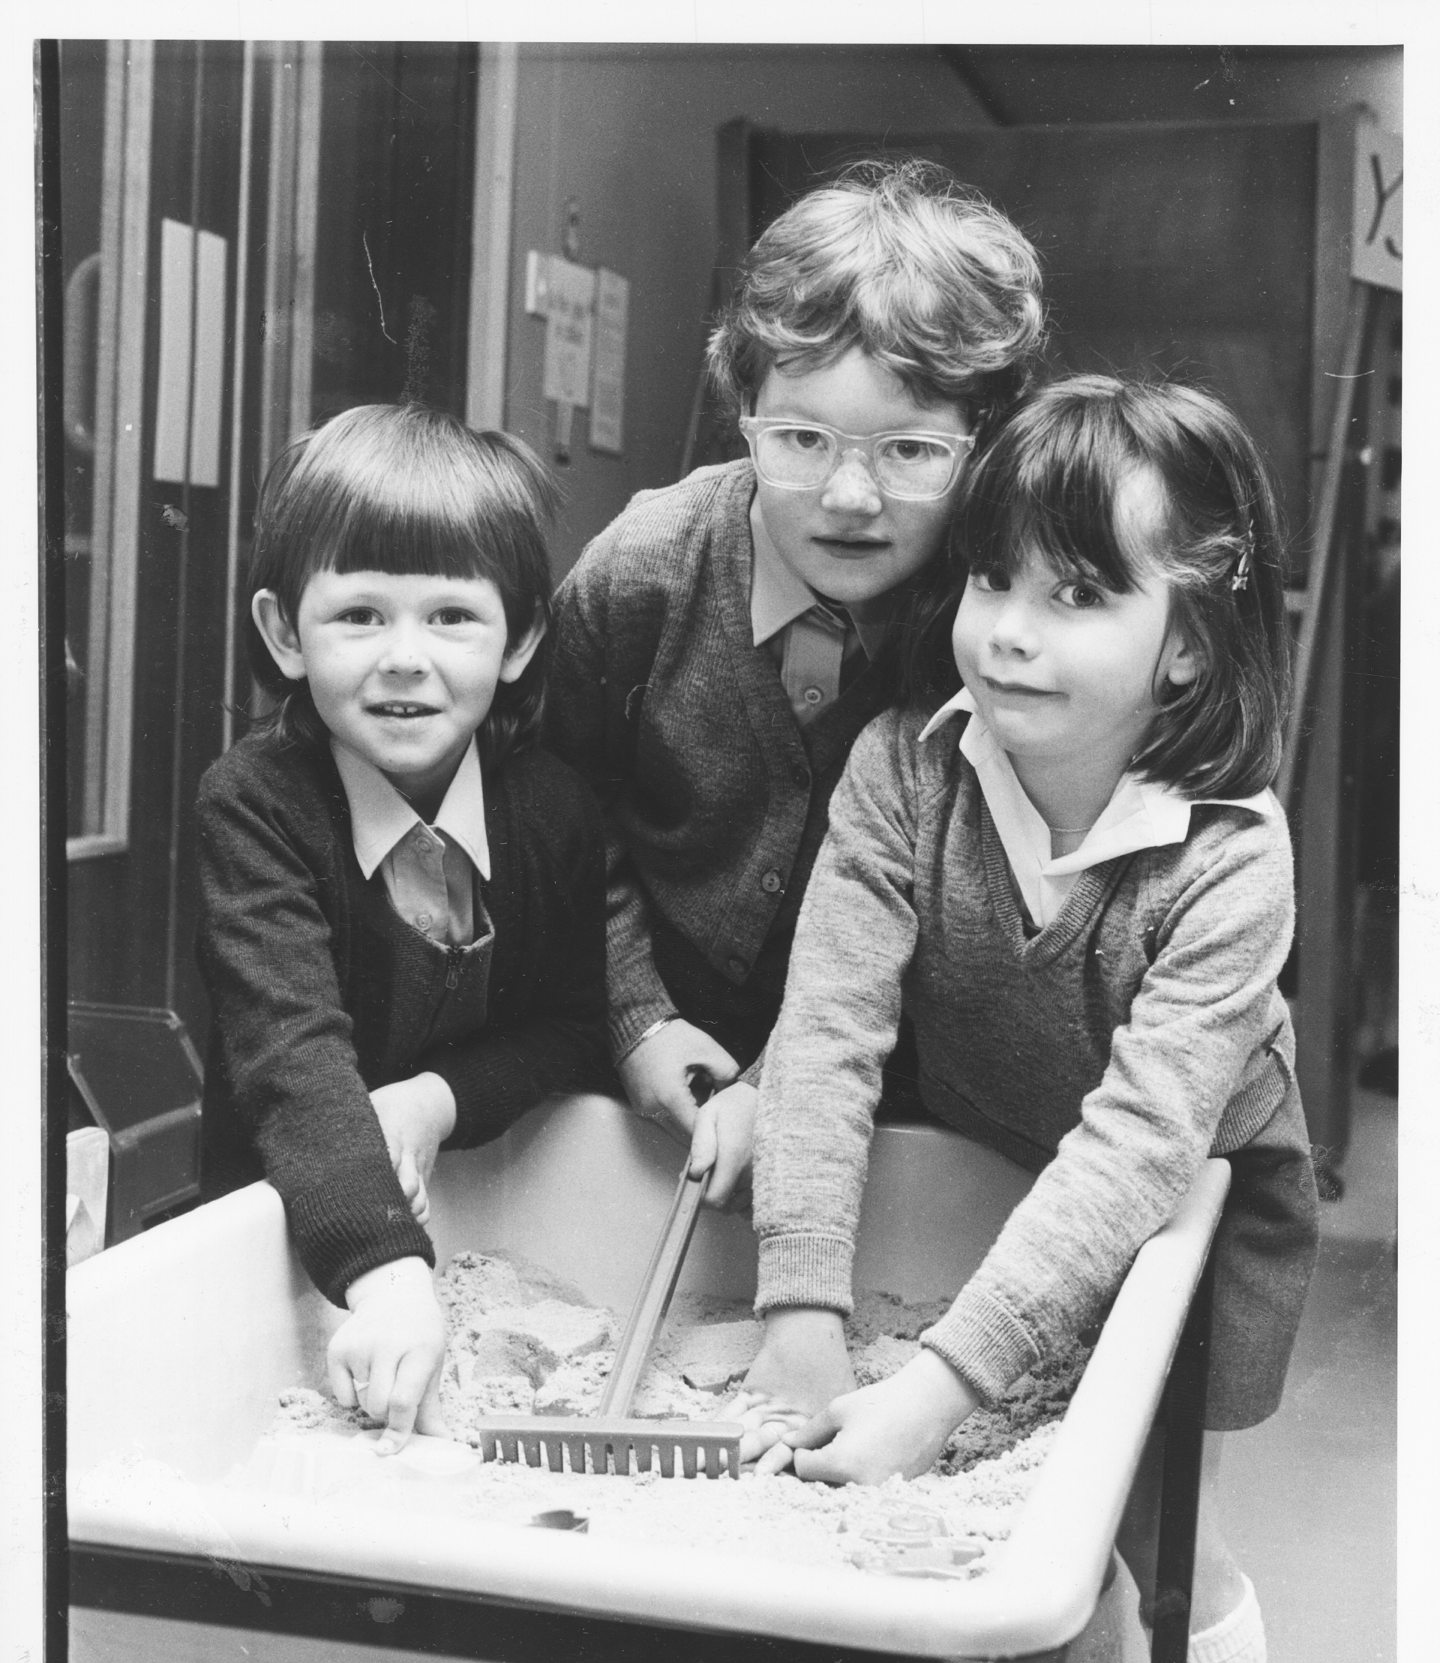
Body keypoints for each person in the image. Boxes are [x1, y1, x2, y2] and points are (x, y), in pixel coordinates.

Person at [744, 375, 1319, 1663]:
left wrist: (936, 1389)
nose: (1008, 628)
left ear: (1185, 638)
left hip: (1189, 1190)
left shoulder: (1231, 859)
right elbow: (824, 1031)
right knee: (1015, 1510)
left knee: (1143, 1533)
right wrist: (801, 1303)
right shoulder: (904, 769)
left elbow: (1140, 1147)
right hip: (1000, 1148)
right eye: (992, 577)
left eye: (1076, 594)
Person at [545, 158, 1046, 1246]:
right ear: (743, 410)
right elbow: (558, 823)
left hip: (885, 1098)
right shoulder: (641, 572)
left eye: (912, 450)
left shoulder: (1002, 633)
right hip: (622, 1070)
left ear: (987, 443)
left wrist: (790, 1089)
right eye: (802, 440)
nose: (851, 497)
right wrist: (635, 1016)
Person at [196, 405, 607, 1454]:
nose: (405, 658)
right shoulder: (254, 803)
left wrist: (435, 1101)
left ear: (518, 640)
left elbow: (568, 1025)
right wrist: (386, 1280)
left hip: (474, 1211)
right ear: (287, 633)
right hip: (287, 1237)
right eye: (361, 615)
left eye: (451, 618)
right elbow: (290, 1053)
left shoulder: (551, 809)